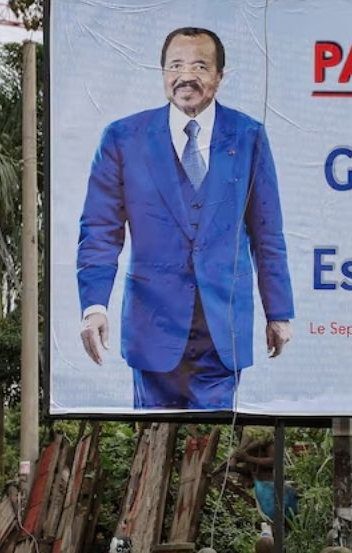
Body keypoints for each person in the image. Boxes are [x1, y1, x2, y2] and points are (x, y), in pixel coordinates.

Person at [77, 26, 295, 410]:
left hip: (222, 327)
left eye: (199, 65)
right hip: (152, 325)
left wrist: (278, 312)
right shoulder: (122, 138)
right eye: (175, 65)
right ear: (162, 73)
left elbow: (267, 233)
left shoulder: (249, 137)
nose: (186, 76)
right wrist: (94, 306)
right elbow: (99, 230)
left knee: (214, 450)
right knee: (152, 443)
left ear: (219, 76)